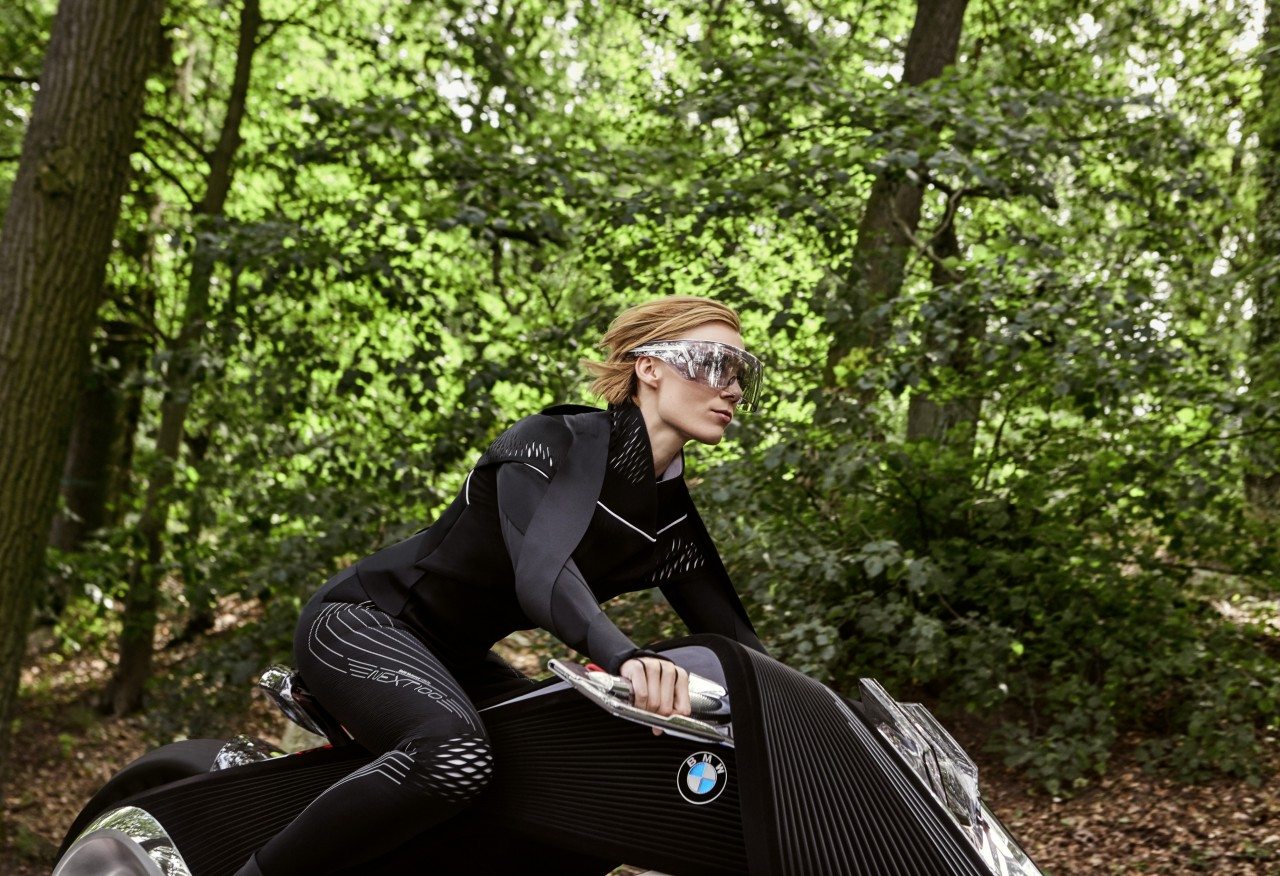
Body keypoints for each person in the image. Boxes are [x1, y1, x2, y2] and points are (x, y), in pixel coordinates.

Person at [236, 295, 768, 876]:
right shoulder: (549, 442)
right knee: (455, 756)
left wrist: (823, 724)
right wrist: (627, 657)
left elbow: (743, 651)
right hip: (363, 621)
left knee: (578, 777)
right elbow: (542, 575)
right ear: (649, 367)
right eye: (715, 364)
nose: (732, 389)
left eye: (742, 373)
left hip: (459, 660)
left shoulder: (671, 524)